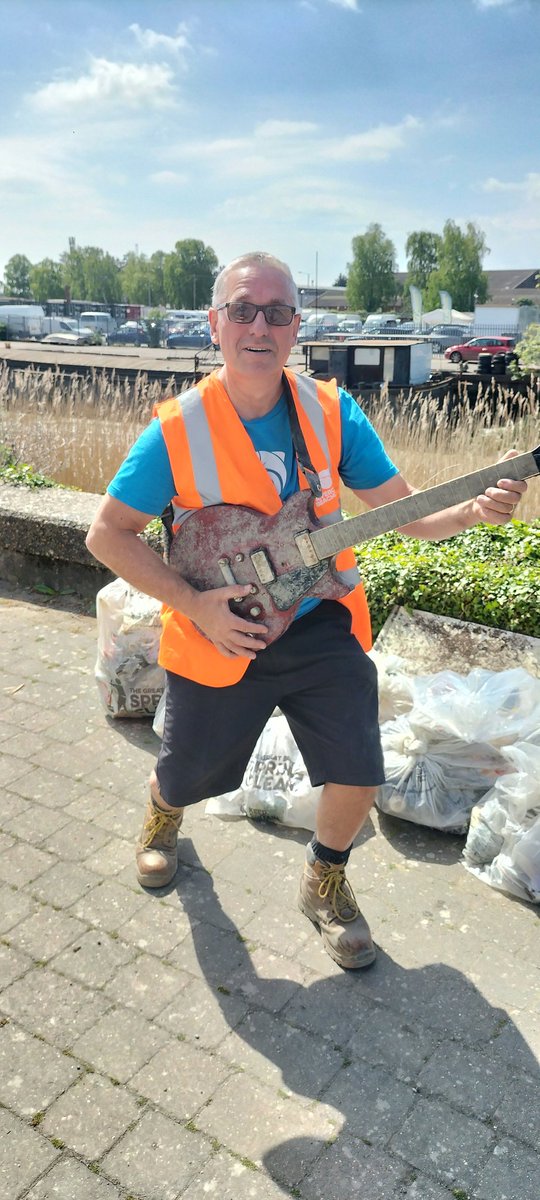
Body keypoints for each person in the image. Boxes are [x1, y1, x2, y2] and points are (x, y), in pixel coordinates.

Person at [86, 251, 527, 971]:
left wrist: (475, 510)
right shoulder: (176, 430)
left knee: (360, 765)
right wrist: (197, 604)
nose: (260, 325)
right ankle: (164, 813)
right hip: (222, 631)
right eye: (243, 309)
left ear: (297, 328)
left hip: (322, 619)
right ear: (214, 324)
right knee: (190, 768)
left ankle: (325, 879)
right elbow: (107, 534)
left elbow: (405, 514)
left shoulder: (330, 413)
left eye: (278, 312)